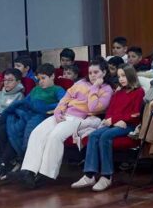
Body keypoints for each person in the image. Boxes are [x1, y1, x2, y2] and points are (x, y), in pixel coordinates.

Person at [17, 58, 113, 188]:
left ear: (104, 72)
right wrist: (58, 111)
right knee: (37, 132)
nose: (92, 76)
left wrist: (95, 87)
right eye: (90, 73)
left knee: (55, 136)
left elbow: (93, 107)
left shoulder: (107, 89)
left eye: (96, 72)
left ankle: (46, 174)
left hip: (80, 118)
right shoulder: (81, 82)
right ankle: (29, 171)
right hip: (64, 114)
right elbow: (65, 98)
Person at [71, 64, 144, 191]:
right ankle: (89, 175)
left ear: (131, 75)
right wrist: (112, 121)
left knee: (105, 136)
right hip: (115, 124)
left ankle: (106, 176)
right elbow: (110, 111)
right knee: (93, 135)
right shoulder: (118, 92)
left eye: (124, 76)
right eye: (119, 76)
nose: (121, 79)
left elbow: (135, 114)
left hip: (129, 125)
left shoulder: (139, 91)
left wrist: (115, 120)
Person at [0, 63, 65, 180]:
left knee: (25, 133)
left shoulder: (57, 90)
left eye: (43, 78)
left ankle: (10, 163)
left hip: (42, 116)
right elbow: (25, 102)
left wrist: (44, 107)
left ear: (52, 76)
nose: (40, 82)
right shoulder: (35, 89)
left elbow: (63, 103)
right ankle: (8, 163)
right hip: (27, 114)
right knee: (12, 129)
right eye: (38, 79)